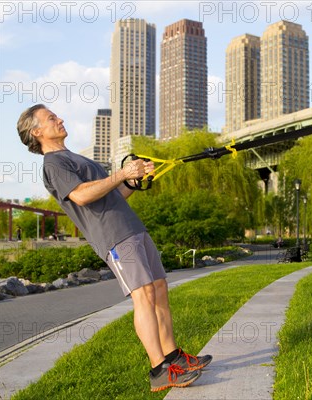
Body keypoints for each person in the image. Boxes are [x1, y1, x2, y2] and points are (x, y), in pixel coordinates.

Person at [17, 105, 211, 392]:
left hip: (132, 228)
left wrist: (132, 181)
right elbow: (82, 196)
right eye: (51, 118)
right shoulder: (53, 165)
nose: (60, 119)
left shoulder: (74, 157)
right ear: (37, 132)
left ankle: (174, 357)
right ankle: (159, 369)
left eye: (57, 115)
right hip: (113, 237)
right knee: (143, 295)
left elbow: (113, 196)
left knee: (158, 291)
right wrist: (120, 174)